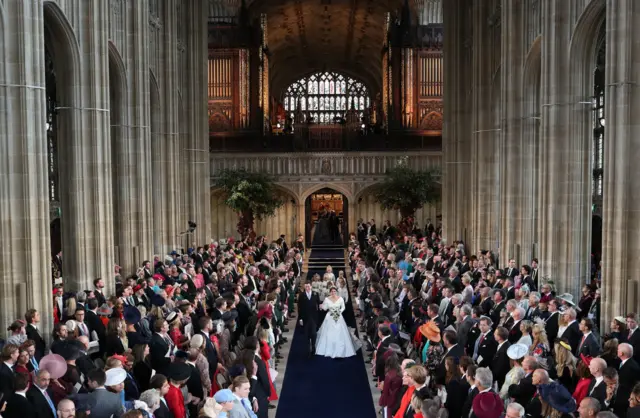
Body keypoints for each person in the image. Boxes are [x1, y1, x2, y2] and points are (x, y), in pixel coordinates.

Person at [315, 286, 356, 358]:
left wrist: (338, 312)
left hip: (338, 316)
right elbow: (325, 308)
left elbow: (343, 307)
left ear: (336, 292)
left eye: (334, 291)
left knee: (339, 332)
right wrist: (321, 306)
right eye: (332, 291)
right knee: (329, 332)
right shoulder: (327, 299)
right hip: (330, 316)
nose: (333, 293)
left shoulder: (340, 299)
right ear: (330, 292)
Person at [297, 281, 320, 358]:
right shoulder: (301, 295)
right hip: (305, 318)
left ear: (311, 286)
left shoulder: (315, 294)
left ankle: (313, 347)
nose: (307, 288)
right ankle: (307, 351)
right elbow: (299, 308)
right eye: (306, 286)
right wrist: (300, 319)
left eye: (308, 286)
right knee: (306, 335)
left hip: (313, 318)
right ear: (304, 287)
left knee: (313, 333)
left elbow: (318, 305)